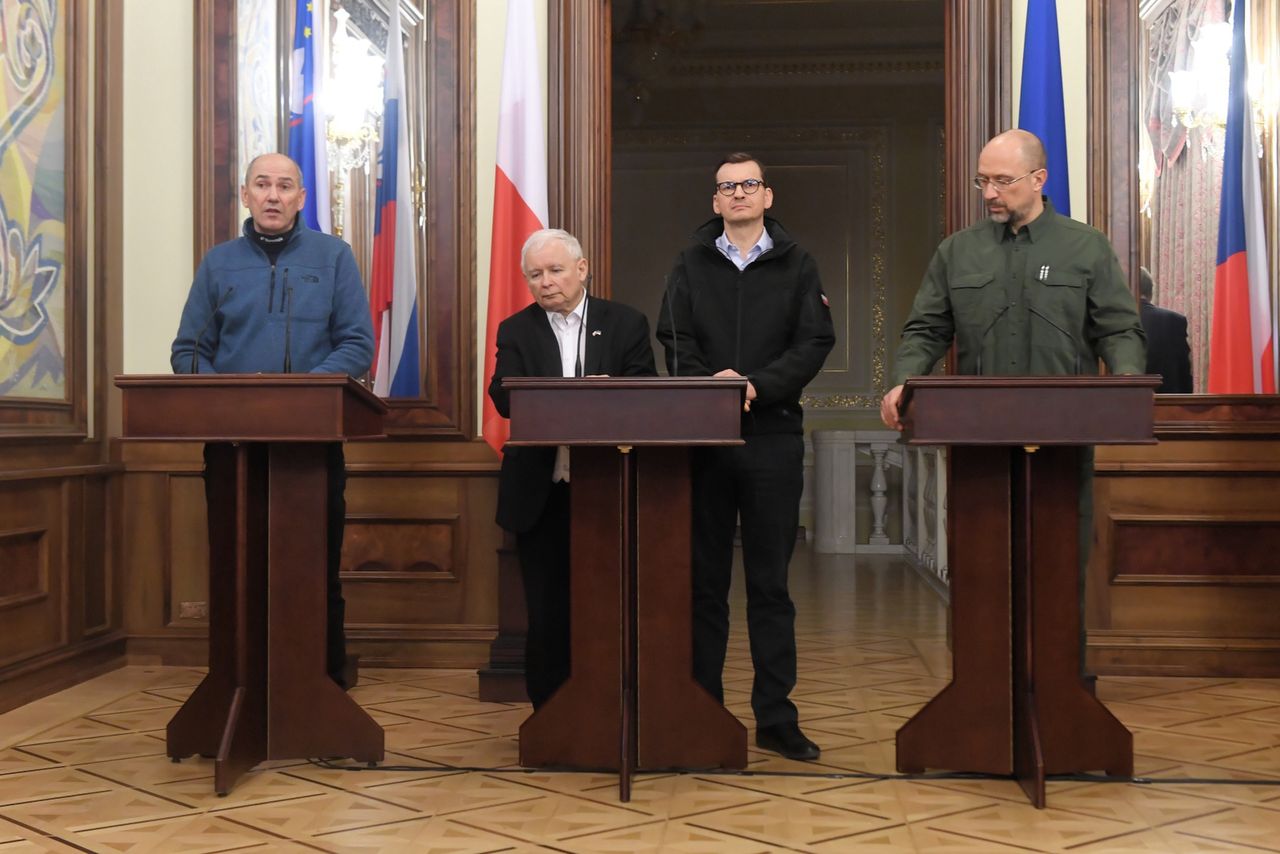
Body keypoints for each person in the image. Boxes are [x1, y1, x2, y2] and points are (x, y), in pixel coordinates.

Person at [879, 129, 1146, 673]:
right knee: (982, 568)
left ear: (1039, 180)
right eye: (984, 181)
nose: (989, 193)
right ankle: (982, 691)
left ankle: (1058, 690)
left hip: (1062, 441)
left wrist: (1125, 384)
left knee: (1057, 567)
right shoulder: (958, 251)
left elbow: (1119, 329)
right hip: (978, 440)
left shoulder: (1084, 246)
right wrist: (906, 379)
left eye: (1002, 181)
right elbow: (926, 329)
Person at [171, 152, 374, 689]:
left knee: (312, 564)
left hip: (310, 444)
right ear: (245, 195)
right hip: (232, 446)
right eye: (262, 184)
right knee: (236, 564)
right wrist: (234, 403)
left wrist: (304, 395)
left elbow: (356, 344)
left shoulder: (334, 257)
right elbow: (189, 350)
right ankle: (237, 676)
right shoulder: (218, 263)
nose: (273, 195)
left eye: (285, 186)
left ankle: (320, 681)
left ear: (301, 199)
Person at [657, 153, 835, 761]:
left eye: (748, 185)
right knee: (703, 585)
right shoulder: (689, 262)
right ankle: (701, 709)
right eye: (727, 187)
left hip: (772, 437)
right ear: (715, 202)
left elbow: (814, 340)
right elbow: (672, 338)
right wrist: (714, 387)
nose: (737, 194)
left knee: (770, 585)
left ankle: (776, 718)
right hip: (704, 441)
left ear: (767, 196)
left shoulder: (797, 262)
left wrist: (754, 385)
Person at [488, 228, 656, 710]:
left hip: (607, 488)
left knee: (605, 606)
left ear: (582, 270)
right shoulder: (516, 329)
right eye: (535, 275)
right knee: (547, 611)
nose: (546, 283)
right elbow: (503, 397)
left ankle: (609, 707)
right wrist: (564, 397)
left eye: (555, 270)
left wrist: (609, 395)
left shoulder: (625, 323)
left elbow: (647, 393)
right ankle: (551, 716)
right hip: (540, 492)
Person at [1138, 267, 1193, 393]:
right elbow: (1184, 373)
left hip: (1123, 405)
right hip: (1169, 406)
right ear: (1150, 293)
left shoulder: (1115, 321)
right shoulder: (1176, 320)